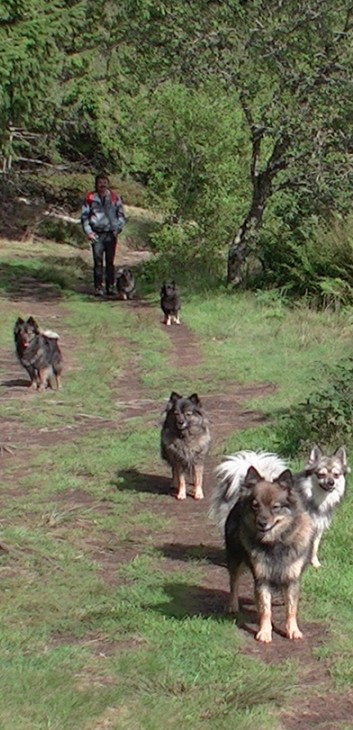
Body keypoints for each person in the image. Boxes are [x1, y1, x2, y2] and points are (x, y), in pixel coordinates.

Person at [81, 173, 126, 296]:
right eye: (100, 183)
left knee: (110, 262)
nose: (102, 185)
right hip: (97, 234)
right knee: (98, 262)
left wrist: (118, 228)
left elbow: (121, 214)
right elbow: (84, 217)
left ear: (108, 184)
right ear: (96, 184)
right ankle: (98, 287)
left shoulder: (114, 197)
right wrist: (89, 232)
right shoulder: (90, 198)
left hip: (111, 234)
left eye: (105, 182)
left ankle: (110, 287)